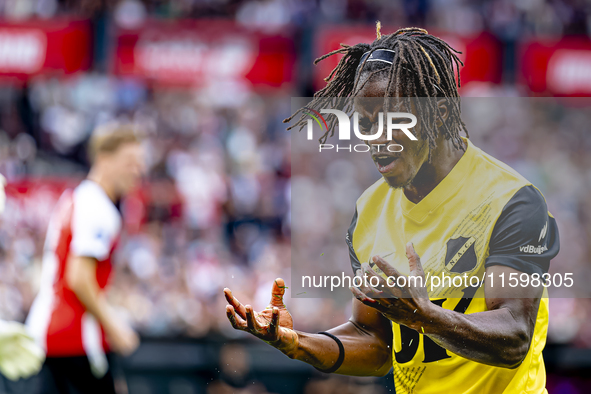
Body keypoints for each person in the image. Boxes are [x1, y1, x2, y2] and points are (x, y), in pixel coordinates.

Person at [223, 26, 560, 393]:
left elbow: (514, 334)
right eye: (366, 124)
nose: (377, 140)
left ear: (441, 113)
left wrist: (426, 317)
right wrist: (297, 342)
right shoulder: (369, 210)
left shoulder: (512, 200)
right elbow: (377, 342)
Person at [26, 123, 145, 394]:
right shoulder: (97, 207)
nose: (136, 171)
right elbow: (78, 277)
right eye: (129, 162)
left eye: (139, 164)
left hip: (53, 335)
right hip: (73, 340)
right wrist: (114, 325)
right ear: (104, 159)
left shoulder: (78, 198)